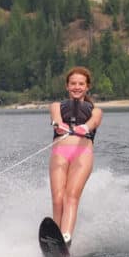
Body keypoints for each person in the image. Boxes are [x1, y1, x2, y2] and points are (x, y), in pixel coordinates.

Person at [49, 66, 103, 246]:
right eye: (73, 83)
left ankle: (66, 237)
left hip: (83, 154)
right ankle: (53, 237)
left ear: (87, 87)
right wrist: (59, 125)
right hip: (60, 153)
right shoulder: (56, 106)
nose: (77, 87)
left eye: (81, 83)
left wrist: (85, 127)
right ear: (67, 86)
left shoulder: (96, 110)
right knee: (57, 198)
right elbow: (56, 119)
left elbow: (94, 121)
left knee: (71, 196)